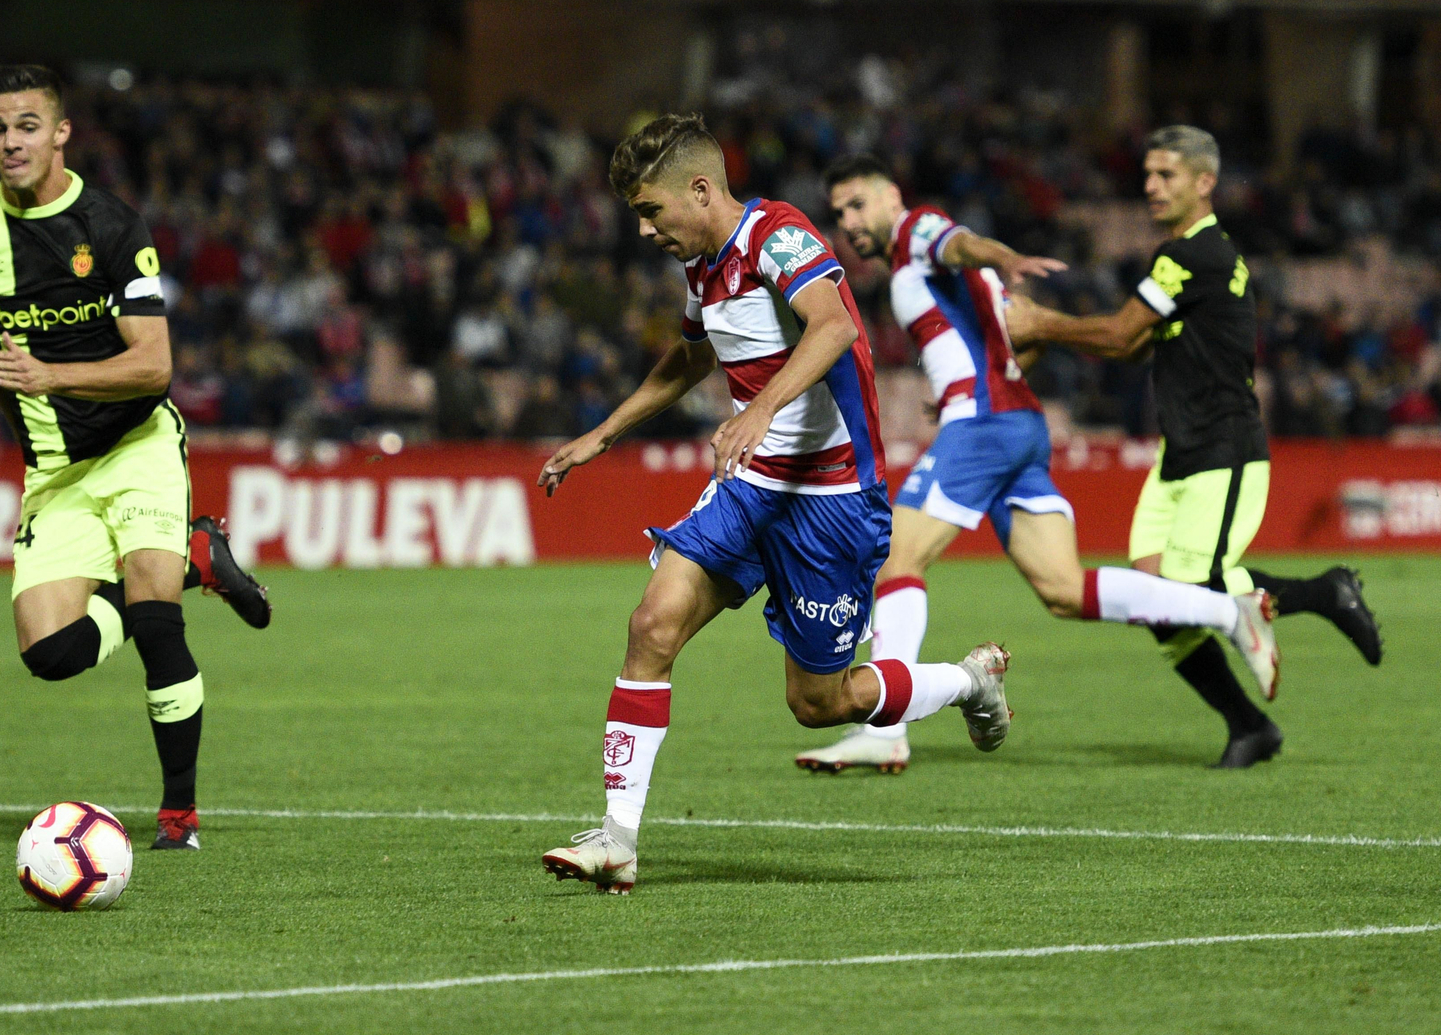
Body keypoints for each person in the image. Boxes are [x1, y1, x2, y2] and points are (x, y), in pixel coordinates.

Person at [536, 114, 1014, 895]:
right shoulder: (700, 265)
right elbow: (689, 358)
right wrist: (605, 433)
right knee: (651, 626)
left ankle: (968, 682)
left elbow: (832, 325)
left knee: (819, 703)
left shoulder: (777, 235)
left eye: (652, 210)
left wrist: (761, 408)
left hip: (830, 500)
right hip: (752, 491)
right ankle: (618, 839)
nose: (647, 230)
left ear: (699, 189)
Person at [793, 155, 1280, 776]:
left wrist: (999, 257)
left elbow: (957, 241)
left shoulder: (916, 232)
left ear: (891, 196)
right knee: (1064, 589)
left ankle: (883, 728)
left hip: (986, 424)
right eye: (838, 214)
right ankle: (1227, 610)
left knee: (896, 559)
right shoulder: (915, 273)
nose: (850, 222)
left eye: (858, 204)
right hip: (1018, 423)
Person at [0, 65, 272, 850]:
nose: (10, 142)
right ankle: (196, 558)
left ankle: (178, 818)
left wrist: (50, 375)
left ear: (60, 133)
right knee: (51, 655)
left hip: (136, 443)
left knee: (158, 624)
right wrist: (21, 407)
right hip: (56, 467)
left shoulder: (112, 228)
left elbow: (155, 365)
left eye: (26, 125)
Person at [1005, 125, 1381, 769]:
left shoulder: (1196, 255)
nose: (1151, 186)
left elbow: (1123, 338)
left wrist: (1040, 323)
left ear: (1205, 183)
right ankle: (1248, 726)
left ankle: (1326, 591)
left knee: (1193, 584)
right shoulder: (1186, 259)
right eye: (1147, 174)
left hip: (1225, 447)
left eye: (1167, 175)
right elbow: (1133, 340)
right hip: (1177, 455)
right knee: (1156, 599)